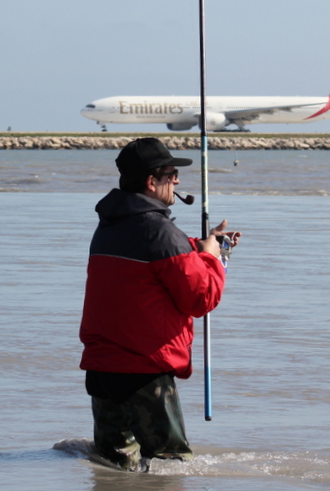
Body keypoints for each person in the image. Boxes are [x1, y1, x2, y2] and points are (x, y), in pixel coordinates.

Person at [79, 137, 239, 471]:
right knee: (171, 466)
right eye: (170, 174)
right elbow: (201, 298)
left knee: (114, 466)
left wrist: (201, 245)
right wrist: (213, 258)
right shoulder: (160, 232)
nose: (177, 181)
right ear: (152, 182)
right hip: (144, 371)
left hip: (103, 368)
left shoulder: (109, 224)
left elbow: (154, 255)